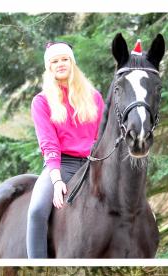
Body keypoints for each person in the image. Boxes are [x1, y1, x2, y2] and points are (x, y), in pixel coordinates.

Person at [27, 41, 105, 258]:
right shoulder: (42, 101)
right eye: (54, 61)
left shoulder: (94, 97)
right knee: (36, 211)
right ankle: (37, 266)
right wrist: (56, 179)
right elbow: (48, 143)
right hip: (63, 165)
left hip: (94, 164)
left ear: (72, 63)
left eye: (64, 59)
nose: (60, 64)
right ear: (48, 67)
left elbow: (102, 136)